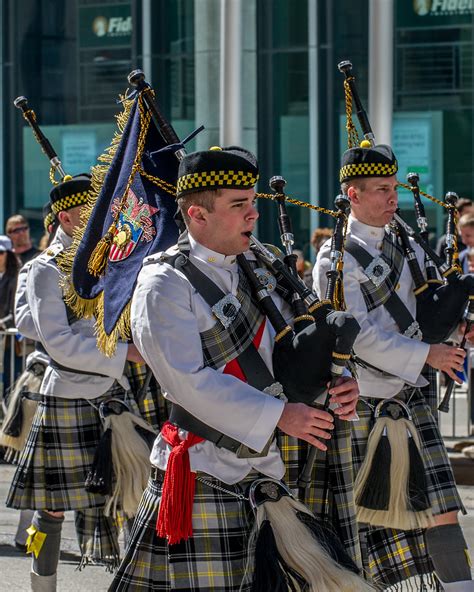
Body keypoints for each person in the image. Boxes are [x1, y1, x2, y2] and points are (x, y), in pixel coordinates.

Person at [109, 146, 364, 592]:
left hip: (268, 465)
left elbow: (295, 344)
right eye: (238, 204)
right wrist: (282, 416)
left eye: (253, 202)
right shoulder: (163, 283)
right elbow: (187, 382)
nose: (253, 214)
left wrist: (338, 381)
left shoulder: (258, 263)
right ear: (197, 215)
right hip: (204, 468)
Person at [314, 143, 474, 592]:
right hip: (368, 399)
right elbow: (358, 333)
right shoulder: (336, 258)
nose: (393, 198)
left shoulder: (403, 239)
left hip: (411, 393)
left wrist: (457, 326)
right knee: (370, 520)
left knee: (440, 505)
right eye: (382, 190)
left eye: (394, 188)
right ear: (353, 194)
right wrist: (427, 355)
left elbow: (429, 300)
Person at [6, 174, 146, 592]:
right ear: (66, 217)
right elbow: (59, 343)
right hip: (67, 393)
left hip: (111, 394)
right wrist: (124, 353)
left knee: (128, 498)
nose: (100, 218)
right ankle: (40, 586)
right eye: (91, 211)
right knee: (50, 511)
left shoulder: (109, 261)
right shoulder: (45, 269)